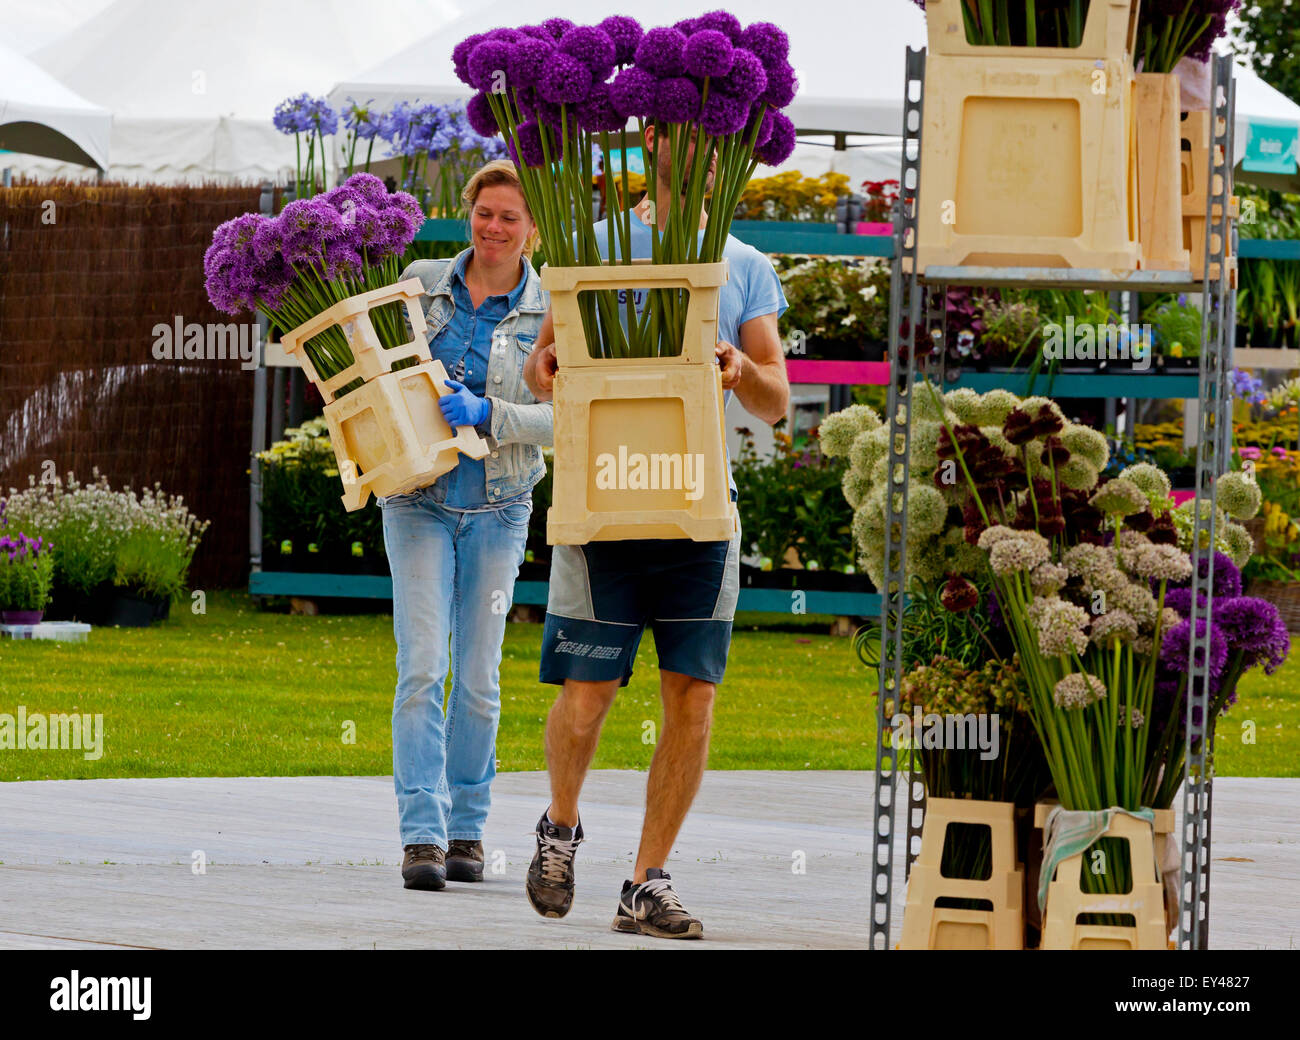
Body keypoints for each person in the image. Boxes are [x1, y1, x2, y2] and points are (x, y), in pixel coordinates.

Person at [519, 125, 789, 938]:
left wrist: (741, 372)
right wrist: (548, 367)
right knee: (590, 694)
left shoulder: (745, 264)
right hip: (605, 505)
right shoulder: (590, 244)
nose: (702, 144)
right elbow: (542, 361)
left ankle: (647, 882)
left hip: (701, 511)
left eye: (717, 135)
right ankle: (560, 827)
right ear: (654, 138)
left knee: (693, 699)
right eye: (684, 127)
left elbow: (777, 396)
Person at [382, 159, 551, 891]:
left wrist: (493, 414)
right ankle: (422, 835)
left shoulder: (554, 311)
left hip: (499, 508)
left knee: (478, 678)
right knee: (424, 666)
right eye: (485, 212)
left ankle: (467, 831)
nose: (494, 228)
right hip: (416, 499)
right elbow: (374, 368)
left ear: (532, 230)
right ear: (469, 212)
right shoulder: (422, 282)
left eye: (510, 217)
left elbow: (572, 416)